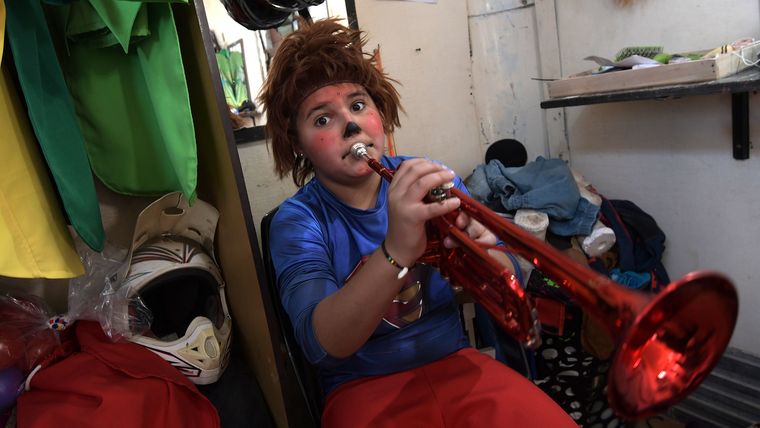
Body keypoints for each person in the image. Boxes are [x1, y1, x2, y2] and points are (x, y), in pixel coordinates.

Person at [259, 18, 577, 427]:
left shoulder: (427, 178)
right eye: (322, 119)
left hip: (458, 364)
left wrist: (483, 250)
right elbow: (322, 344)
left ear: (380, 112)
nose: (351, 125)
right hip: (361, 386)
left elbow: (513, 279)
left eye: (358, 105)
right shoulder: (299, 221)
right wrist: (395, 252)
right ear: (297, 144)